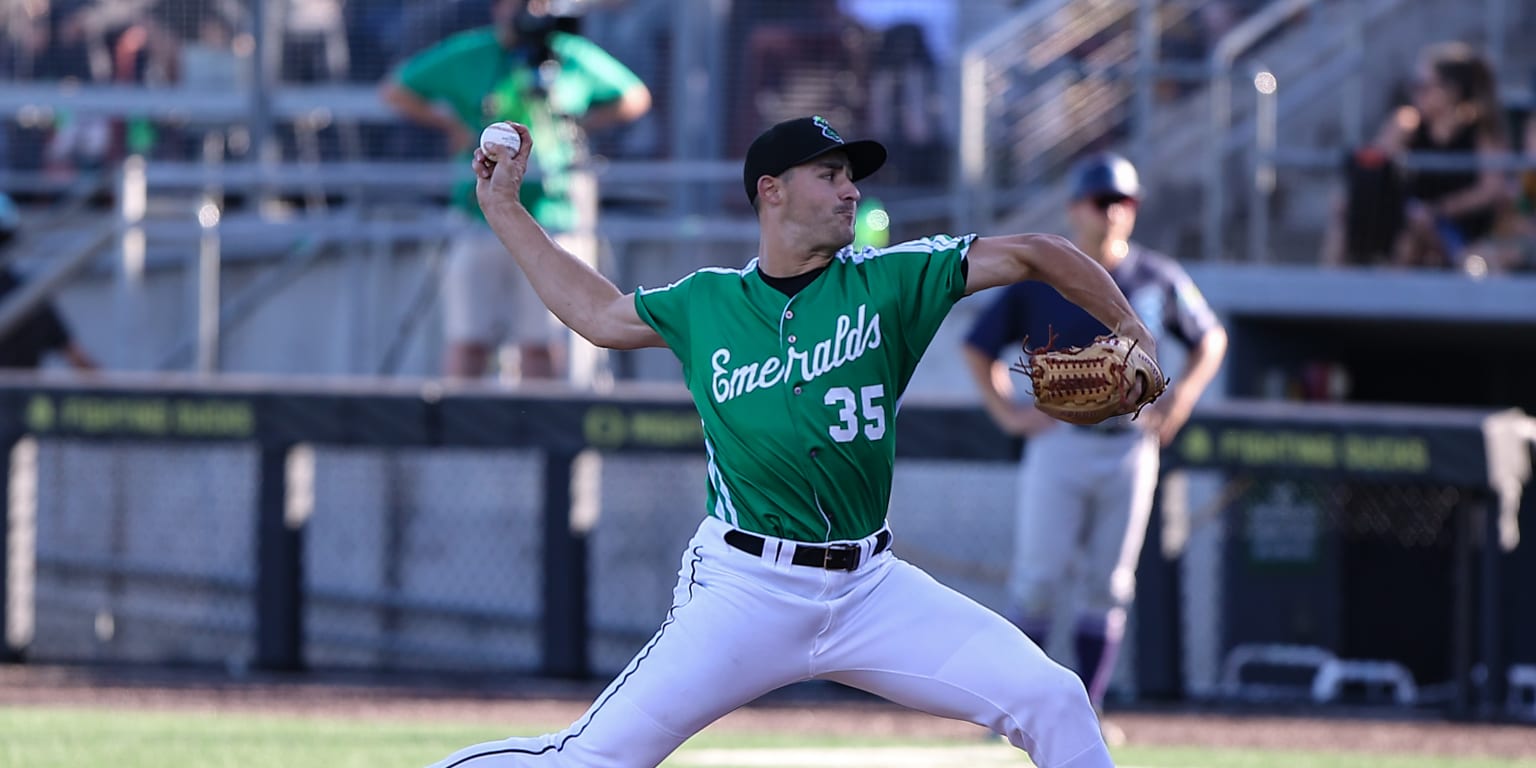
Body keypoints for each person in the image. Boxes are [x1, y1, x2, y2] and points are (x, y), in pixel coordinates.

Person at [425, 116, 1159, 768]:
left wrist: (1128, 326)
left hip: (872, 590)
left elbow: (1037, 250)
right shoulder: (707, 302)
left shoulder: (892, 282)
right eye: (830, 175)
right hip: (746, 590)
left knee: (1055, 698)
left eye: (852, 179)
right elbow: (596, 313)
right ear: (770, 191)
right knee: (593, 758)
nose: (851, 193)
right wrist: (503, 208)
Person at [960, 153, 1226, 719]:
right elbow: (976, 344)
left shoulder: (1157, 276)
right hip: (1059, 442)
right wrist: (1009, 415)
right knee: (1036, 582)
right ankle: (1022, 709)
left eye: (1124, 201)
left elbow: (1212, 338)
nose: (1113, 212)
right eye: (1103, 201)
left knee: (1109, 587)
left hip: (1130, 445)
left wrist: (1180, 400)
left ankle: (1088, 709)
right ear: (1075, 207)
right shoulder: (1044, 278)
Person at [380, 0, 650, 381]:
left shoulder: (567, 53)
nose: (528, 9)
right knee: (468, 339)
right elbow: (396, 89)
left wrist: (580, 125)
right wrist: (453, 126)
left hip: (552, 218)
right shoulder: (472, 51)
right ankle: (466, 437)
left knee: (542, 341)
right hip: (479, 218)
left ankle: (541, 436)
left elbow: (634, 95)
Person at [1322, 42, 1508, 269]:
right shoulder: (1409, 123)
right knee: (1346, 210)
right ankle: (1331, 287)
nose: (1416, 94)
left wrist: (1439, 209)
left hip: (1458, 231)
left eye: (1423, 86)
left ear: (1450, 91)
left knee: (1412, 233)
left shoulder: (1480, 132)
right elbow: (1374, 166)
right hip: (1408, 219)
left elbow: (1491, 189)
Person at [0, 193, 97, 371]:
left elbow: (77, 357)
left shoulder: (28, 294)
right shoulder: (29, 293)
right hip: (27, 396)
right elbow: (79, 360)